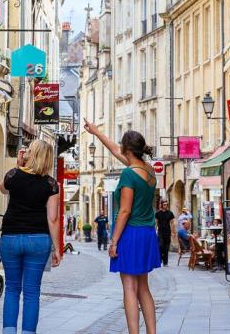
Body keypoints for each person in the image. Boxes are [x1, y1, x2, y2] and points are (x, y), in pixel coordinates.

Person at [84, 119, 160, 334]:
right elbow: (117, 150)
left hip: (131, 233)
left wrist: (114, 240)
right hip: (147, 233)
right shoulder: (149, 170)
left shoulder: (128, 174)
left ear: (128, 149)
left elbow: (124, 211)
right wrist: (97, 132)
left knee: (129, 287)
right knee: (144, 287)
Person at [0, 141, 61, 334]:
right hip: (38, 239)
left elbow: (2, 189)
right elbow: (53, 219)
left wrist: (18, 165)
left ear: (30, 154)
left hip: (10, 237)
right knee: (32, 292)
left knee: (11, 289)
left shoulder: (14, 175)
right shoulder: (51, 184)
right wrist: (58, 248)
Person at [155, 200, 175, 265]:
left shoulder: (170, 213)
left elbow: (172, 223)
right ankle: (160, 259)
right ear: (161, 205)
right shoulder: (158, 213)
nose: (165, 206)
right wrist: (155, 231)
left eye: (166, 204)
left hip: (167, 232)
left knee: (166, 247)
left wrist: (173, 232)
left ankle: (165, 262)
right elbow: (156, 223)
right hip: (160, 231)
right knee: (160, 245)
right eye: (164, 204)